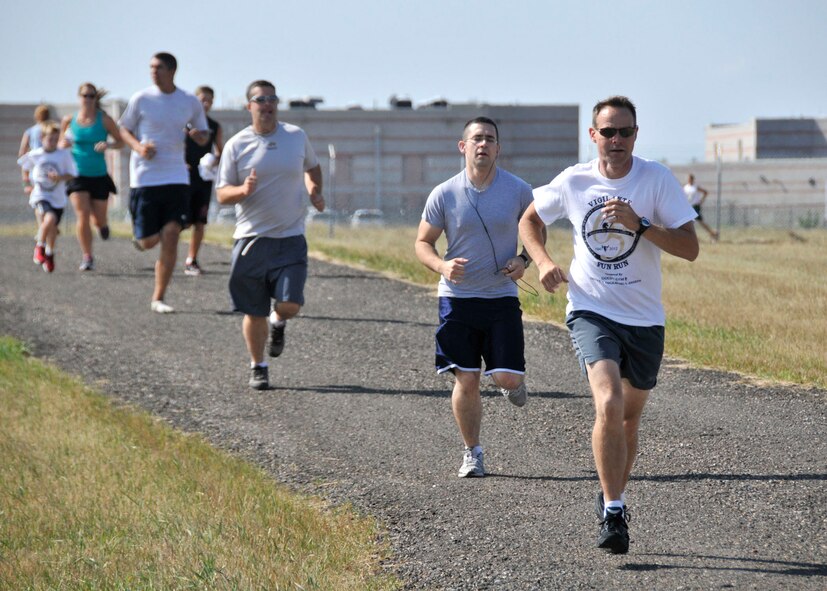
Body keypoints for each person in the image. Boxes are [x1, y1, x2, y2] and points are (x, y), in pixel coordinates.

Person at [519, 96, 699, 554]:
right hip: (590, 309)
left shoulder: (655, 179)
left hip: (644, 318)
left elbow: (690, 248)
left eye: (626, 132)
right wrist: (541, 261)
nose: (616, 140)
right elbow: (530, 219)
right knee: (608, 401)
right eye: (608, 131)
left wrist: (640, 226)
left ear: (636, 135)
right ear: (593, 134)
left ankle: (610, 488)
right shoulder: (574, 180)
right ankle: (615, 510)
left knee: (628, 417)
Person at [414, 116, 536, 479]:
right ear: (463, 146)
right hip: (457, 299)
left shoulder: (518, 190)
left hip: (500, 298)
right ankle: (473, 453)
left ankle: (511, 381)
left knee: (507, 379)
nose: (483, 144)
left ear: (498, 148)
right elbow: (422, 243)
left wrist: (523, 260)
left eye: (490, 139)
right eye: (477, 139)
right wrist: (442, 266)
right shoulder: (444, 193)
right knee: (466, 378)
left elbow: (535, 235)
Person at [215, 80, 324, 390]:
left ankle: (279, 323)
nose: (267, 104)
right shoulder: (237, 145)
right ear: (249, 106)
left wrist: (315, 190)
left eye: (272, 98)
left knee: (290, 304)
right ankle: (258, 366)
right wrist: (243, 190)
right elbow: (222, 195)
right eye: (260, 99)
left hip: (290, 237)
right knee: (253, 310)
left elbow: (313, 168)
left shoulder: (295, 136)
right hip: (251, 239)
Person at [118, 52, 210, 313]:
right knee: (148, 240)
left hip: (176, 177)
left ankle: (159, 297)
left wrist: (198, 137)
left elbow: (203, 134)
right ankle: (143, 239)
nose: (153, 71)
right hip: (145, 178)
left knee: (171, 234)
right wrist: (138, 147)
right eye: (151, 67)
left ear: (172, 70)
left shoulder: (189, 101)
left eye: (157, 67)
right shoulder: (141, 98)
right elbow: (123, 128)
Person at [60, 83, 124, 271]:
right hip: (77, 174)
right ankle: (87, 256)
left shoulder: (104, 120)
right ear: (78, 97)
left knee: (98, 219)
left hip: (99, 174)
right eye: (84, 95)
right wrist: (62, 144)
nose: (88, 99)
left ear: (95, 98)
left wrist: (109, 145)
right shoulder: (69, 120)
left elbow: (121, 142)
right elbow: (59, 143)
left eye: (91, 96)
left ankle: (103, 226)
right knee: (83, 215)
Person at [18, 121, 77, 273]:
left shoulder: (63, 155)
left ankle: (49, 253)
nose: (53, 142)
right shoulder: (36, 154)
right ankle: (39, 247)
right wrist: (26, 185)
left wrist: (60, 177)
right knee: (49, 219)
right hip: (41, 195)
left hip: (58, 198)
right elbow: (24, 166)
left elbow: (72, 174)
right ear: (42, 138)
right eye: (50, 139)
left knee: (51, 229)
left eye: (56, 139)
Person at [183, 85, 224, 276]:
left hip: (203, 177)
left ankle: (192, 259)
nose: (206, 103)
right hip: (182, 177)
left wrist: (215, 160)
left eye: (209, 100)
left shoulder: (214, 127)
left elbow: (221, 151)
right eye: (202, 99)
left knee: (200, 221)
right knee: (182, 221)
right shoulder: (183, 123)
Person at [19, 105, 53, 232]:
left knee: (38, 200)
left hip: (36, 169)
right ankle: (50, 223)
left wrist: (25, 181)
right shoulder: (52, 129)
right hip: (51, 167)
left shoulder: (30, 131)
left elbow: (22, 153)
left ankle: (43, 226)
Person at [683, 173, 718, 240]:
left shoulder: (695, 187)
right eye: (688, 179)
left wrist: (701, 201)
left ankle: (712, 233)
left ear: (693, 179)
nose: (689, 180)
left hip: (695, 206)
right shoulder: (685, 187)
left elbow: (705, 192)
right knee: (690, 221)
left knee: (699, 221)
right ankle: (710, 233)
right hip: (688, 207)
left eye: (690, 179)